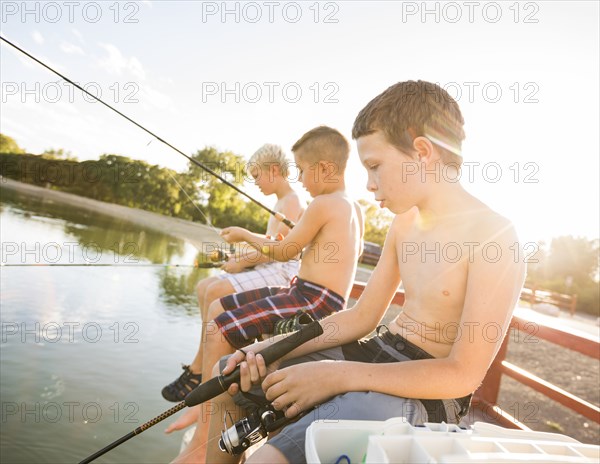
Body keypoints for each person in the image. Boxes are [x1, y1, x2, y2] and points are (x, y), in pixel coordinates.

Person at [198, 80, 526, 464]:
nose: (369, 185)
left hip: (431, 392)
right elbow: (361, 317)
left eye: (375, 166)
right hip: (375, 351)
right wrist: (268, 348)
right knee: (228, 375)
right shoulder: (404, 224)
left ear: (422, 151)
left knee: (266, 460)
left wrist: (338, 376)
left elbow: (462, 375)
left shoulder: (495, 237)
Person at [168, 126, 364, 451]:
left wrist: (245, 234)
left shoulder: (322, 204)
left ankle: (204, 441)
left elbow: (285, 251)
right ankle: (204, 415)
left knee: (219, 329)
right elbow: (302, 246)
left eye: (302, 170)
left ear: (325, 168)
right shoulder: (352, 207)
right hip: (318, 296)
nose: (299, 178)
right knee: (222, 311)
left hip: (310, 300)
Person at [161, 143, 304, 402]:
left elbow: (281, 249)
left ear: (273, 171)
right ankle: (199, 364)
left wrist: (241, 263)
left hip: (284, 271)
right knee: (204, 287)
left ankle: (199, 371)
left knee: (215, 289)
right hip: (271, 264)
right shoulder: (281, 202)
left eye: (257, 176)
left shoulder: (292, 201)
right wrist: (238, 256)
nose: (255, 183)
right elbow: (268, 243)